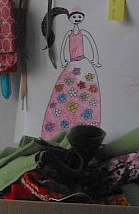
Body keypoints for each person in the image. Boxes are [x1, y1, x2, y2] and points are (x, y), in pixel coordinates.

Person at [41, 10, 102, 139]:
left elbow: (92, 44)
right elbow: (64, 47)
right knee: (65, 92)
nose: (77, 18)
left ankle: (86, 126)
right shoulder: (68, 33)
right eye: (75, 16)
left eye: (79, 16)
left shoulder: (84, 33)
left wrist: (95, 60)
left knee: (86, 93)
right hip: (71, 65)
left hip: (83, 64)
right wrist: (63, 60)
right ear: (70, 18)